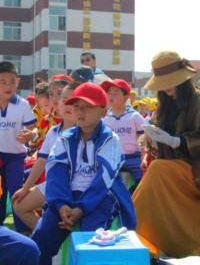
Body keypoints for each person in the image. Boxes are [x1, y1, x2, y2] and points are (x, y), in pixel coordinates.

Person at [31, 82, 136, 265]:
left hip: (102, 197)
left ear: (103, 111)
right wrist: (62, 205)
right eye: (77, 107)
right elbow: (56, 173)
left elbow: (103, 180)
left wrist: (81, 208)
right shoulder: (65, 138)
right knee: (42, 238)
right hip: (67, 195)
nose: (80, 112)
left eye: (87, 107)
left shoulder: (110, 139)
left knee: (92, 239)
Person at [132, 51, 200, 258]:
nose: (166, 88)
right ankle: (145, 239)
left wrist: (175, 141)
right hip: (170, 166)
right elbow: (159, 133)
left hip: (199, 169)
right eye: (162, 83)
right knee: (154, 172)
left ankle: (131, 229)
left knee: (156, 170)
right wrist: (151, 139)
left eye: (170, 82)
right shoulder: (164, 103)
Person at [12, 82, 78, 232]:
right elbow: (41, 161)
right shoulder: (53, 131)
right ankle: (43, 232)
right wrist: (25, 189)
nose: (67, 105)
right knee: (19, 205)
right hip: (51, 184)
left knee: (64, 217)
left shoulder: (84, 132)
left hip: (75, 187)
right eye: (64, 100)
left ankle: (50, 238)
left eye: (72, 101)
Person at [0, 61, 37, 232]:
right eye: (3, 82)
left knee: (16, 191)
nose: (8, 86)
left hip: (16, 156)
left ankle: (23, 229)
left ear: (18, 82)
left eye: (12, 81)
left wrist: (30, 134)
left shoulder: (23, 104)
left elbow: (33, 128)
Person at [101, 79, 145, 186]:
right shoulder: (104, 118)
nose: (111, 96)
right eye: (109, 93)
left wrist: (143, 158)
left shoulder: (134, 116)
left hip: (133, 158)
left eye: (115, 93)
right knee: (102, 180)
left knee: (142, 181)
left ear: (126, 97)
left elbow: (143, 139)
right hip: (112, 159)